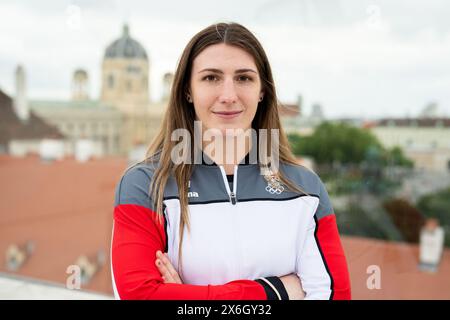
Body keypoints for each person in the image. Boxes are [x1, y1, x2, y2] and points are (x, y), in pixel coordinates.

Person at [110, 22, 351, 300]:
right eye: (211, 78)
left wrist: (186, 295)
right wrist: (278, 291)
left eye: (244, 78)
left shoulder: (304, 188)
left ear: (262, 90)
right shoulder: (144, 185)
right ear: (187, 90)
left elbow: (335, 295)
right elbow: (140, 296)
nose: (228, 96)